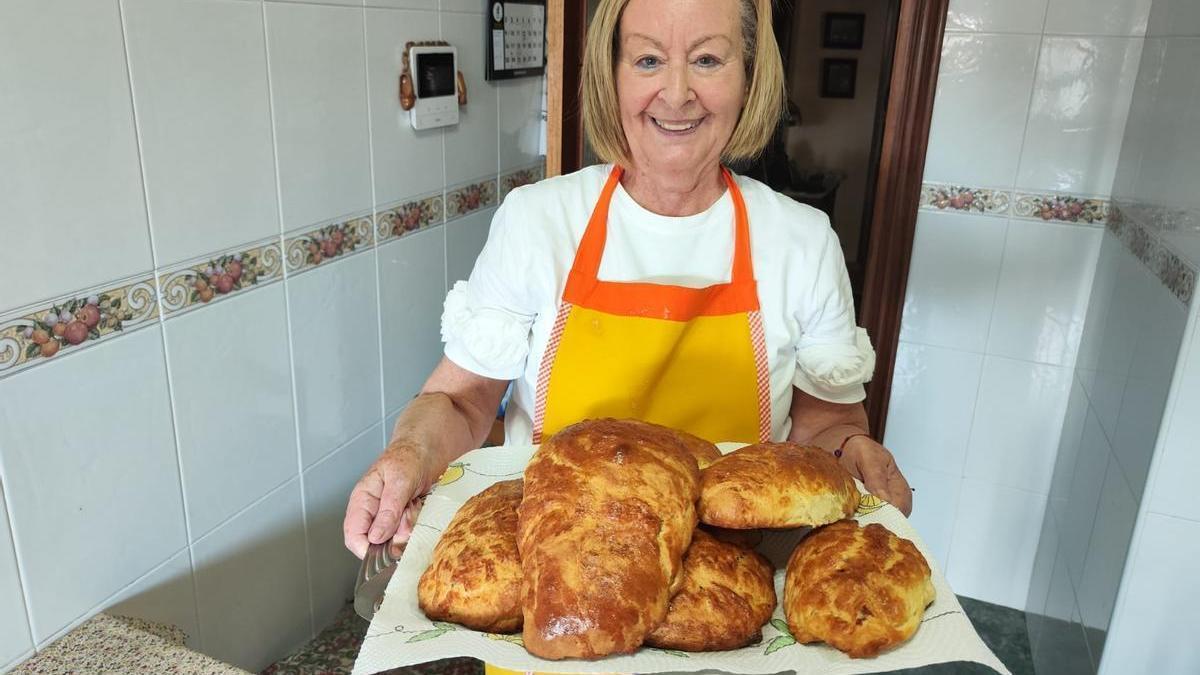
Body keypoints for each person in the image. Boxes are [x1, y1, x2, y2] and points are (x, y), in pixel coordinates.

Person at [344, 0, 912, 562]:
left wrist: (850, 447)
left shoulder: (803, 241)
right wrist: (407, 456)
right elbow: (461, 402)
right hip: (553, 580)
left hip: (730, 597)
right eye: (647, 61)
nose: (676, 92)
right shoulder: (538, 221)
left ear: (751, 76)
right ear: (609, 75)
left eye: (708, 60)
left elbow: (828, 421)